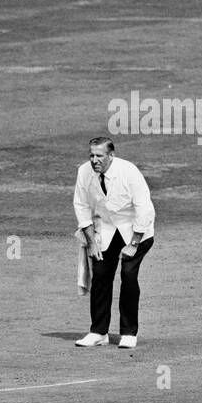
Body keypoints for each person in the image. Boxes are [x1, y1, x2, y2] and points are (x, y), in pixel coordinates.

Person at [72, 137, 156, 349]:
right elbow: (81, 206)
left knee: (128, 274)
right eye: (91, 155)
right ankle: (99, 332)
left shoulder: (129, 172)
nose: (94, 160)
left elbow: (143, 209)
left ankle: (128, 333)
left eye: (99, 156)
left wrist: (134, 244)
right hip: (106, 229)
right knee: (100, 274)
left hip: (136, 229)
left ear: (111, 155)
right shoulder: (84, 172)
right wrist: (91, 242)